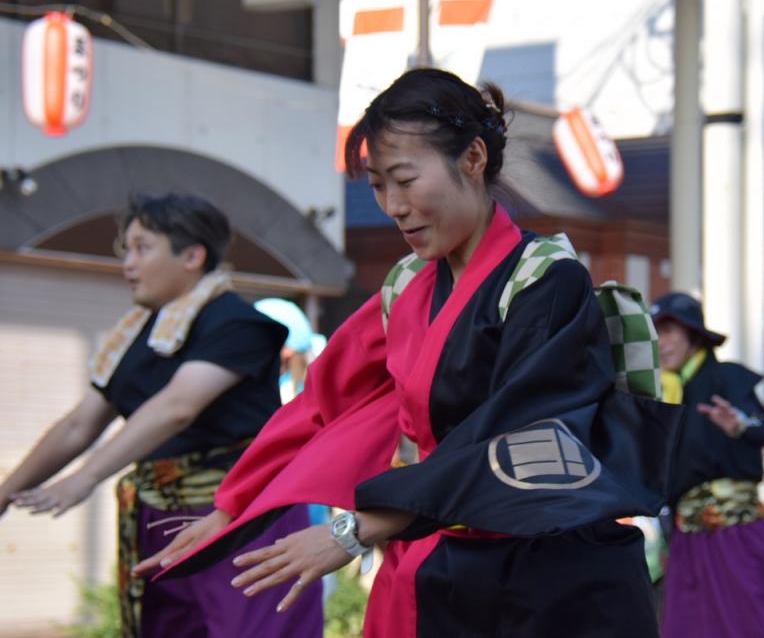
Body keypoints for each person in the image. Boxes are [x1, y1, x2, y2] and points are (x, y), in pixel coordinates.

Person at [134, 68, 678, 637]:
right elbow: (324, 402)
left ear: (473, 158)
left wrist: (356, 530)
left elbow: (517, 438)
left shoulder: (546, 279)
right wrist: (232, 506)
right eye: (376, 184)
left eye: (404, 178)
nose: (393, 205)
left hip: (544, 581)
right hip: (430, 557)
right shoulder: (407, 283)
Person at [0, 193, 322, 637]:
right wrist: (6, 493)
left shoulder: (237, 323)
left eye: (142, 248)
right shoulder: (138, 335)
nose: (128, 264)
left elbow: (177, 408)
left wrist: (85, 478)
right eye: (125, 250)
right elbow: (80, 424)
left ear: (192, 256)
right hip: (161, 521)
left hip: (241, 520)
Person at [652, 292, 764, 638]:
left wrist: (738, 425)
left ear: (693, 335)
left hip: (735, 533)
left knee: (755, 619)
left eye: (669, 332)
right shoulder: (666, 393)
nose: (661, 343)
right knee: (688, 625)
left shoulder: (726, 378)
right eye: (655, 334)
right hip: (685, 536)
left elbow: (759, 429)